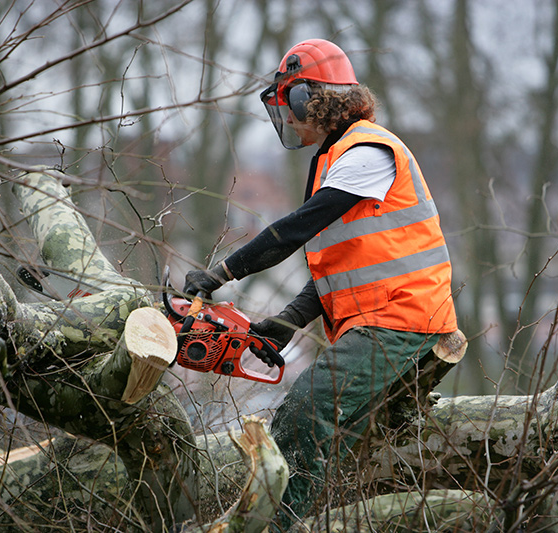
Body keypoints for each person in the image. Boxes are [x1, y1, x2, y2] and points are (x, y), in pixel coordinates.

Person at [183, 38, 458, 528]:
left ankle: (276, 525)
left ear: (313, 98)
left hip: (404, 318)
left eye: (290, 103)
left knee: (307, 409)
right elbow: (338, 266)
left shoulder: (369, 151)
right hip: (377, 320)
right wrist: (289, 321)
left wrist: (221, 273)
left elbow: (295, 228)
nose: (287, 117)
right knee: (340, 443)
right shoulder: (335, 162)